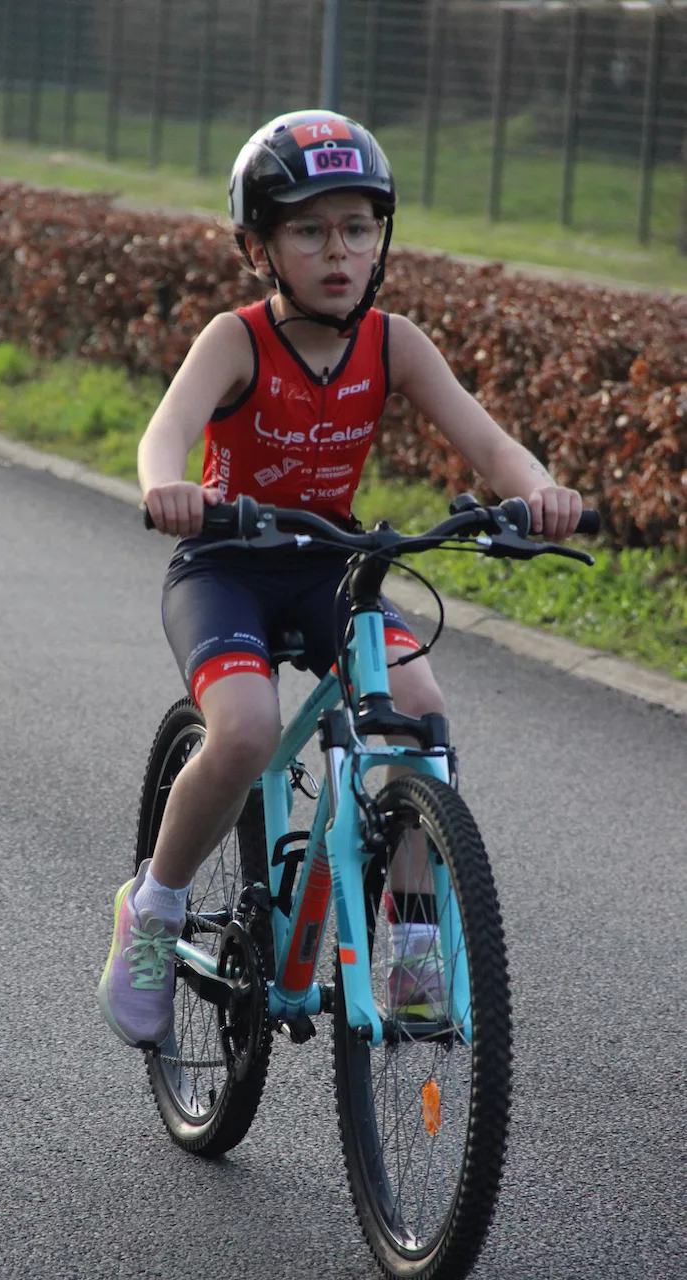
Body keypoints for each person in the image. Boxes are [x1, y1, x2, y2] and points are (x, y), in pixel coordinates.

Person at [98, 109, 582, 1049]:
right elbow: (167, 431)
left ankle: (413, 948)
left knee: (418, 709)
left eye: (358, 228)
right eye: (310, 230)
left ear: (381, 241)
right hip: (225, 563)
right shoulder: (236, 340)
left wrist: (540, 494)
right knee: (246, 731)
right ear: (259, 248)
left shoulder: (393, 343)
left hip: (331, 564)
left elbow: (490, 446)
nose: (338, 251)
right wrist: (166, 486)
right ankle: (152, 908)